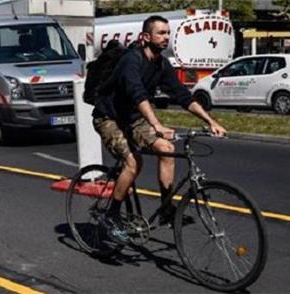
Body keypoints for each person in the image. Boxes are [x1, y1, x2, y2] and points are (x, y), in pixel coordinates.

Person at [89, 15, 226, 243]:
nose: (166, 37)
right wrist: (157, 125)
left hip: (134, 118)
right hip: (109, 117)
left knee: (166, 149)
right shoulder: (131, 60)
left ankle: (167, 209)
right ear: (145, 37)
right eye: (160, 33)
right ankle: (112, 214)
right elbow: (137, 93)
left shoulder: (161, 64)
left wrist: (210, 121)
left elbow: (182, 95)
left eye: (167, 33)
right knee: (133, 163)